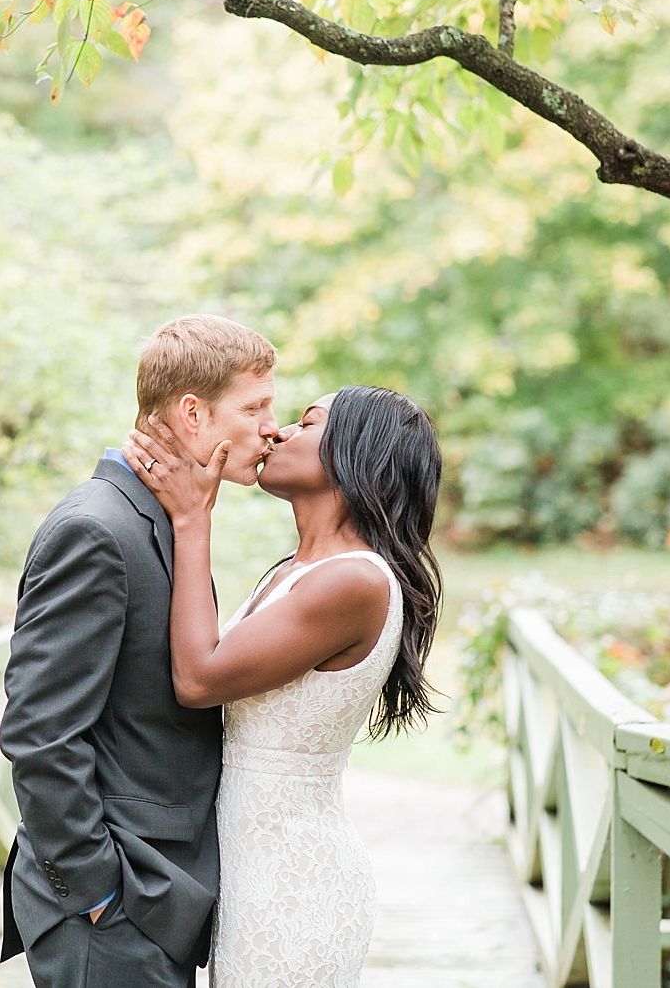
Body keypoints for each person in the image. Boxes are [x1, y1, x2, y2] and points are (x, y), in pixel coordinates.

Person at [120, 385, 443, 987]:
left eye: (306, 422)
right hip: (246, 873)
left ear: (356, 454)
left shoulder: (352, 582)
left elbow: (198, 678)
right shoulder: (298, 571)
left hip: (293, 887)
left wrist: (192, 518)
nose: (277, 433)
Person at [0, 315, 280, 988]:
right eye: (254, 406)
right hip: (113, 908)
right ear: (192, 413)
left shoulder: (166, 518)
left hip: (156, 898)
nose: (272, 426)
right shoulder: (96, 529)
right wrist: (98, 892)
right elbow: (40, 733)